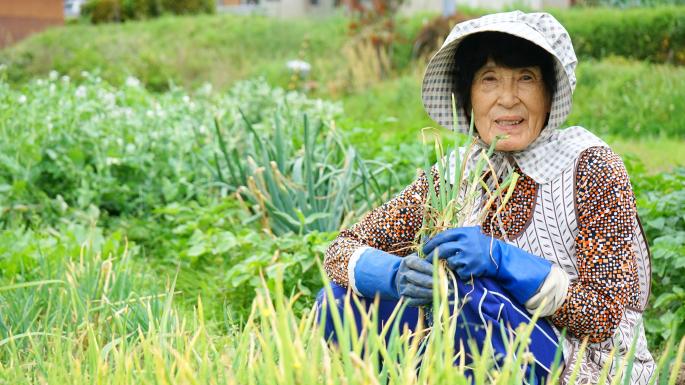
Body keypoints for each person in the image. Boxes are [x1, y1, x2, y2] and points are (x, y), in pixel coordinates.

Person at [316, 10, 656, 384]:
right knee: (341, 301)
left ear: (550, 95)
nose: (507, 99)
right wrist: (396, 275)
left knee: (473, 296)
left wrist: (504, 262)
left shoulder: (590, 167)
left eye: (526, 78)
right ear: (468, 97)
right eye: (489, 79)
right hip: (465, 352)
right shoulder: (458, 172)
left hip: (583, 365)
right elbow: (341, 250)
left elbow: (602, 315)